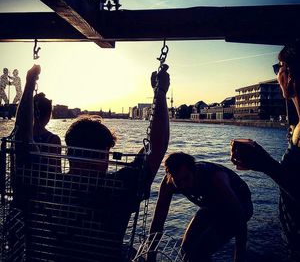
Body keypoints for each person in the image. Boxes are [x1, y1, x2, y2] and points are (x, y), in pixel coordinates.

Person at [14, 63, 170, 261]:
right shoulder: (119, 187)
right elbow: (157, 146)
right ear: (105, 155)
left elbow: (22, 138)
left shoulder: (44, 181)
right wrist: (160, 93)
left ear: (69, 152)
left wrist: (29, 85)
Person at [230, 41, 300, 261]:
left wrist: (265, 164)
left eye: (279, 68)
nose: (277, 74)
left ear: (290, 76)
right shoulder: (297, 125)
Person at [150, 152, 253, 262]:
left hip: (240, 205)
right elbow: (158, 221)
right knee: (185, 250)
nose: (183, 185)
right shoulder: (168, 184)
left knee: (199, 252)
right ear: (170, 177)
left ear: (193, 171)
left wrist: (239, 257)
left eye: (186, 178)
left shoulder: (216, 178)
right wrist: (150, 256)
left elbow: (239, 216)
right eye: (178, 181)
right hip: (211, 206)